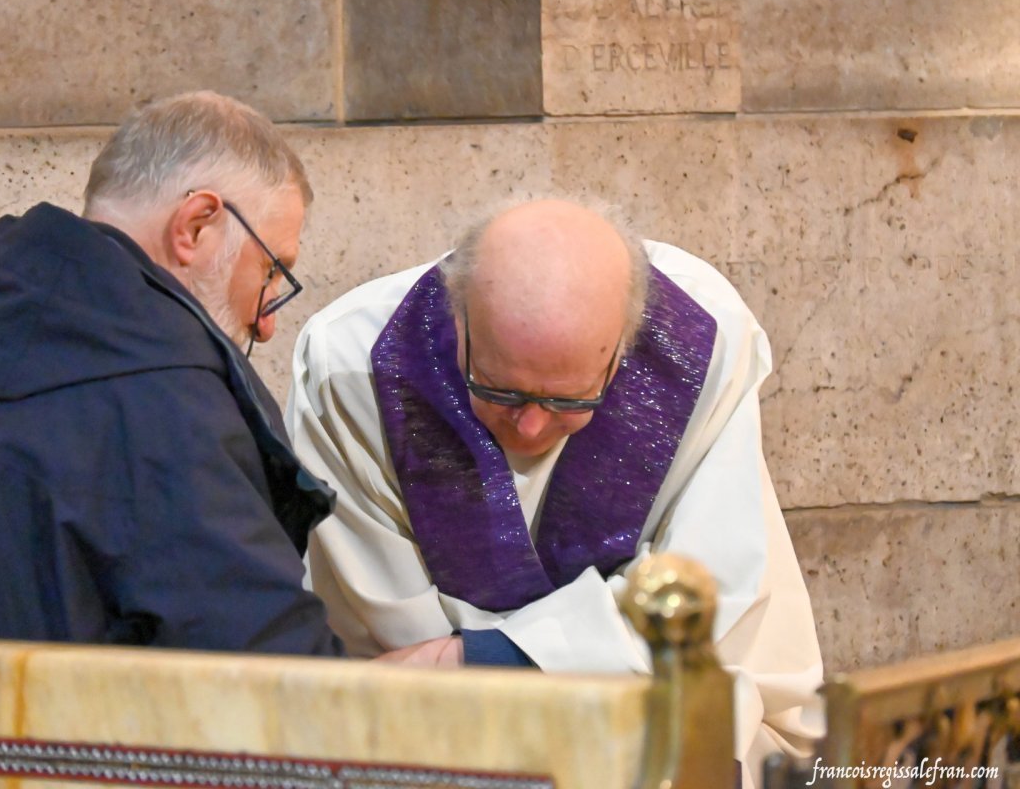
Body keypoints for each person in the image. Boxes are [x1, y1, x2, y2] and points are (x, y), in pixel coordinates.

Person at [287, 198, 825, 784]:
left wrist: (478, 658)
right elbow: (395, 649)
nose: (532, 428)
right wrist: (497, 666)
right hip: (454, 744)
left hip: (661, 729)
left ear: (625, 348)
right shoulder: (353, 366)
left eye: (570, 400)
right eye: (503, 392)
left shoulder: (700, 336)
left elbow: (704, 607)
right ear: (458, 320)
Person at [0, 91, 343, 655]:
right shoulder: (164, 398)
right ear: (196, 226)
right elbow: (276, 676)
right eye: (272, 272)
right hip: (53, 742)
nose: (267, 325)